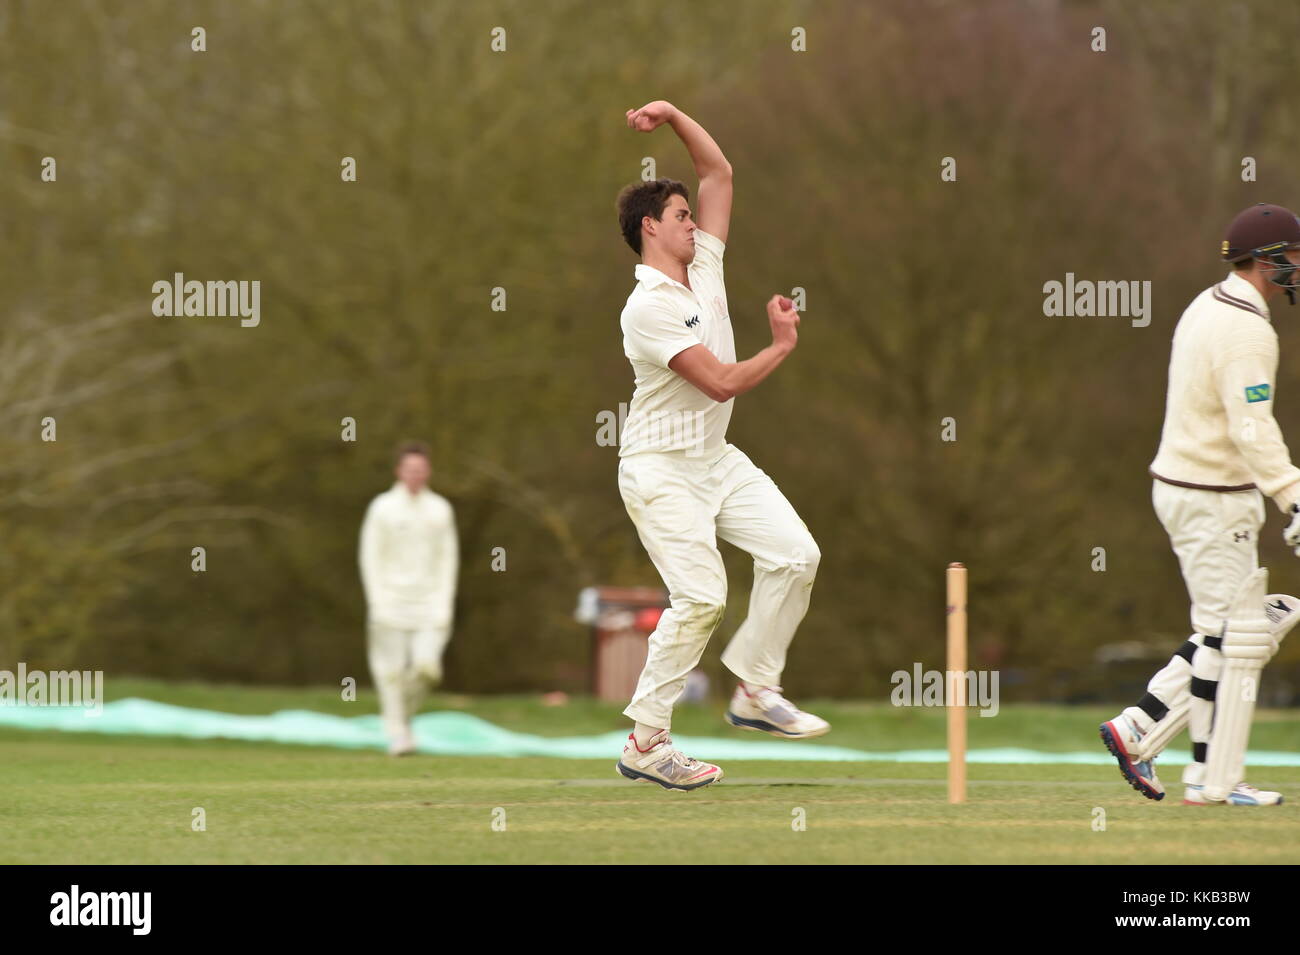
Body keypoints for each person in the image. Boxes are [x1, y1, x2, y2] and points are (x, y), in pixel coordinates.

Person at [611, 100, 828, 793]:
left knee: (797, 555)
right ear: (651, 228)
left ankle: (754, 689)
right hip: (660, 469)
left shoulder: (703, 263)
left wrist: (673, 113)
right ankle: (648, 740)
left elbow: (719, 170)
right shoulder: (646, 307)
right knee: (701, 597)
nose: (695, 224)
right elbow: (722, 384)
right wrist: (784, 346)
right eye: (681, 217)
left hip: (715, 460)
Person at [1101, 203, 1300, 805]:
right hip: (1213, 497)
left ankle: (1141, 726)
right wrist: (1294, 495)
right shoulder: (1246, 330)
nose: (1298, 267)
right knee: (1231, 636)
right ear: (1267, 262)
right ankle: (1213, 781)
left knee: (1245, 625)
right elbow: (1251, 429)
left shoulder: (1208, 303)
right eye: (1292, 257)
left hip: (1191, 488)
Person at [359, 441, 459, 756]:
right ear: (399, 471)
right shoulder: (382, 507)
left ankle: (401, 720)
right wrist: (376, 600)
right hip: (389, 602)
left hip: (429, 603)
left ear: (427, 471)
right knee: (389, 673)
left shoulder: (440, 509)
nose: (415, 474)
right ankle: (399, 734)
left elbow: (448, 560)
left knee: (428, 669)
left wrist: (444, 603)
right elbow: (370, 557)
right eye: (409, 469)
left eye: (420, 469)